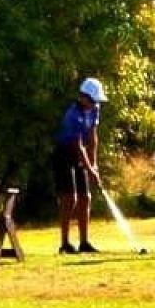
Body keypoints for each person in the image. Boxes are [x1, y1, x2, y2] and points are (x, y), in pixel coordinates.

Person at [53, 77, 106, 254]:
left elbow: (92, 137)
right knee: (70, 198)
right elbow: (78, 145)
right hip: (64, 154)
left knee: (86, 197)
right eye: (93, 100)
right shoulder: (72, 115)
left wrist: (95, 164)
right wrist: (90, 169)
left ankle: (84, 242)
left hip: (80, 153)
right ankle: (65, 243)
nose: (95, 103)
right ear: (84, 97)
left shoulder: (94, 109)